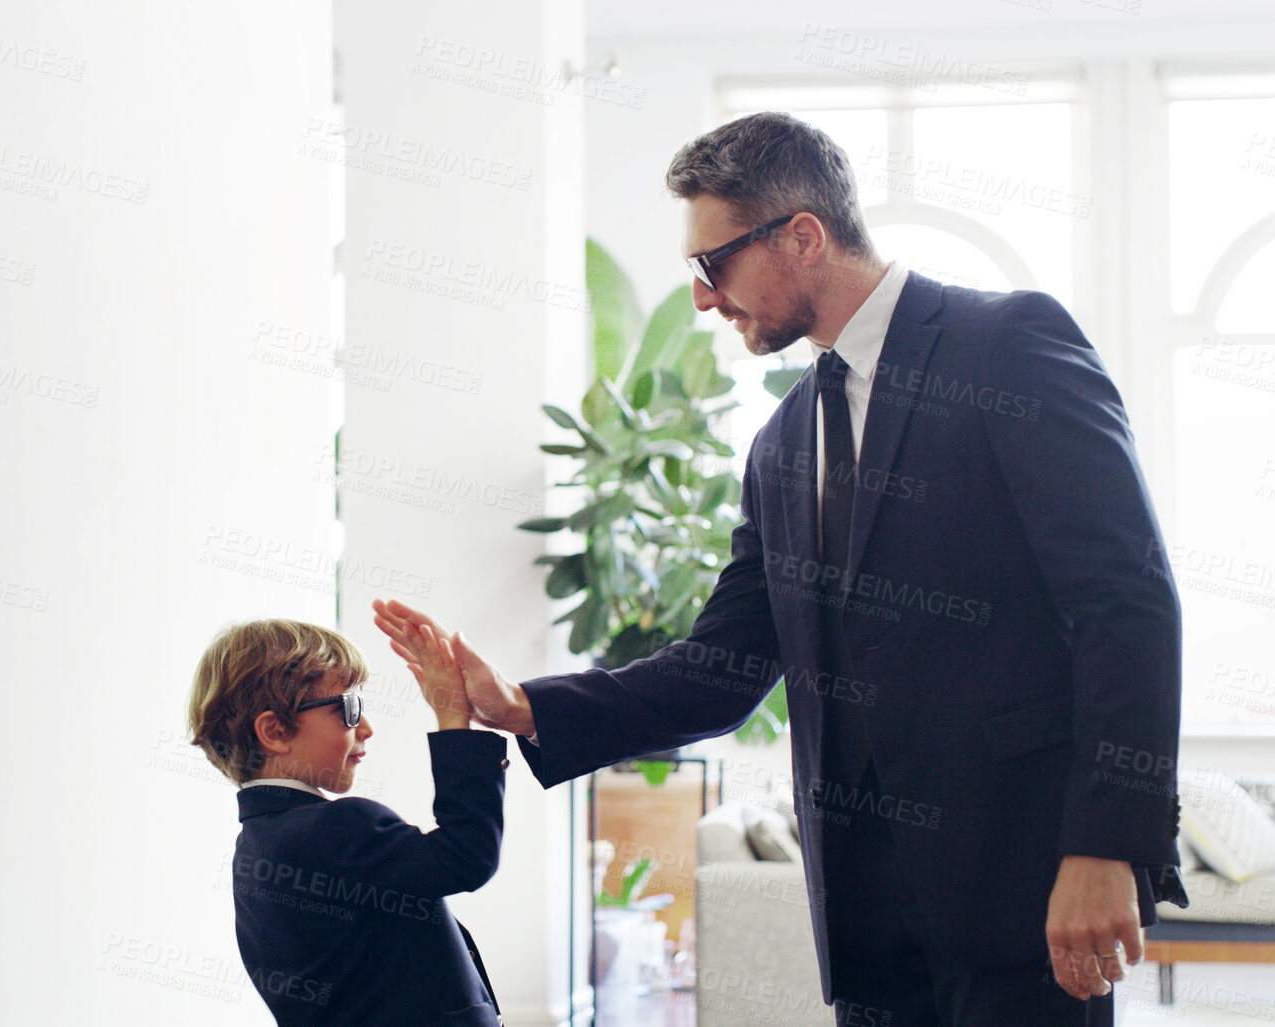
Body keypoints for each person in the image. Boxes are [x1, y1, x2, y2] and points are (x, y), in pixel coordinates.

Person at [374, 111, 1189, 1027]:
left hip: (1023, 893)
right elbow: (721, 666)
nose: (703, 300)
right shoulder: (779, 441)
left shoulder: (1009, 344)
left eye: (710, 264)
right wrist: (523, 705)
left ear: (802, 235)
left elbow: (1125, 602)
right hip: (869, 924)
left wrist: (1105, 847)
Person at [187, 618, 509, 1026]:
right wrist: (452, 718)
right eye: (350, 709)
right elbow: (467, 855)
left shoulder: (255, 847)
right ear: (274, 730)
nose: (368, 729)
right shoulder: (338, 827)